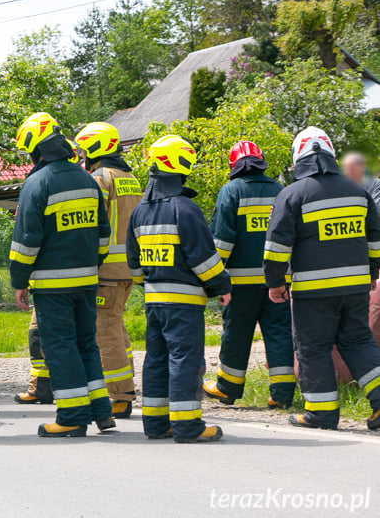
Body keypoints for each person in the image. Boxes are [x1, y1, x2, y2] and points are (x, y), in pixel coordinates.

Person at [264, 127, 380, 431]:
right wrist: (372, 274)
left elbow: (277, 246)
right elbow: (375, 239)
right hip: (355, 287)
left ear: (297, 158)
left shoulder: (292, 194)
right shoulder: (358, 191)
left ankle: (321, 413)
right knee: (358, 341)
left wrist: (275, 282)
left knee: (312, 347)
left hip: (314, 292)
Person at [9, 112, 114, 438]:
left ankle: (71, 417)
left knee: (59, 348)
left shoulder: (37, 183)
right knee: (86, 345)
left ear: (35, 151)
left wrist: (18, 280)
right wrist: (91, 265)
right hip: (86, 281)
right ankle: (101, 411)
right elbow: (103, 236)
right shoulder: (86, 179)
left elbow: (26, 240)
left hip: (53, 287)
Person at [126, 135, 231, 443]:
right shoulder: (185, 209)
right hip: (184, 305)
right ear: (182, 165)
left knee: (156, 360)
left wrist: (148, 285)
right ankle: (187, 426)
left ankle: (156, 424)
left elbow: (133, 264)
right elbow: (203, 258)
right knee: (185, 360)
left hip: (153, 302)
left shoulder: (139, 212)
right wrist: (221, 285)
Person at [203, 141, 295, 409]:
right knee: (279, 334)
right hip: (276, 282)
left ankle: (227, 388)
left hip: (240, 285)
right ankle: (282, 394)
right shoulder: (280, 190)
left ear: (234, 166)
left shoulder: (230, 191)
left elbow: (221, 241)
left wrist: (215, 280)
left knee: (237, 334)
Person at [75, 122, 142, 419]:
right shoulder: (130, 177)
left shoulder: (101, 179)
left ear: (94, 148)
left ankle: (119, 395)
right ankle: (123, 385)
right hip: (128, 268)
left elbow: (94, 224)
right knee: (116, 327)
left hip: (107, 270)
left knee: (105, 332)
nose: (80, 156)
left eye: (83, 149)